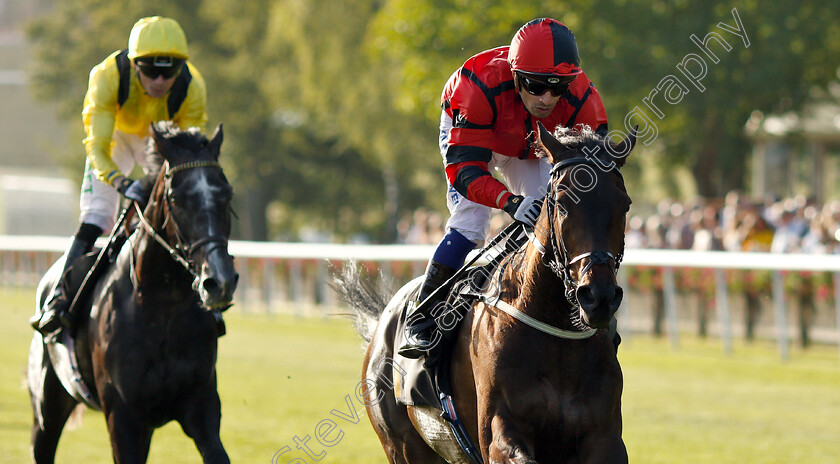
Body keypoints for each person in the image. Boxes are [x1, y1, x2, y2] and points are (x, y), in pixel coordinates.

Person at [399, 18, 609, 358]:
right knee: (471, 222)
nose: (547, 98)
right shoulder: (477, 87)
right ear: (515, 76)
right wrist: (509, 202)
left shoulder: (583, 98)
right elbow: (465, 172)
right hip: (474, 136)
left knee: (548, 215)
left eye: (558, 88)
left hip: (529, 142)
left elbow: (592, 174)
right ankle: (421, 318)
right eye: (536, 85)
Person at [32, 16, 208, 336]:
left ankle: (204, 293)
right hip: (114, 138)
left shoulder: (192, 86)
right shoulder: (107, 77)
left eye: (168, 72)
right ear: (133, 63)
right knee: (98, 215)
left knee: (183, 210)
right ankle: (58, 296)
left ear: (180, 68)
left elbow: (188, 153)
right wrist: (122, 183)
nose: (159, 80)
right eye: (150, 69)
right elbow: (96, 147)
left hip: (159, 141)